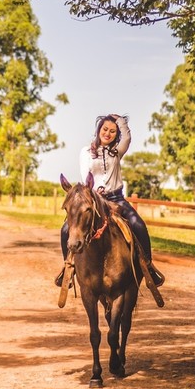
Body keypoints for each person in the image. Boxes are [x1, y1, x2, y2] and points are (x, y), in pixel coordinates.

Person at [56, 114, 165, 287]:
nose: (108, 133)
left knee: (138, 225)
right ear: (99, 130)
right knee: (65, 229)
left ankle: (148, 266)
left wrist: (120, 120)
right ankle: (67, 269)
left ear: (116, 134)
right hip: (94, 199)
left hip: (116, 198)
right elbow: (86, 175)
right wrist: (92, 192)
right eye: (105, 129)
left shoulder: (117, 151)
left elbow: (127, 138)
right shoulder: (86, 152)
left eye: (112, 131)